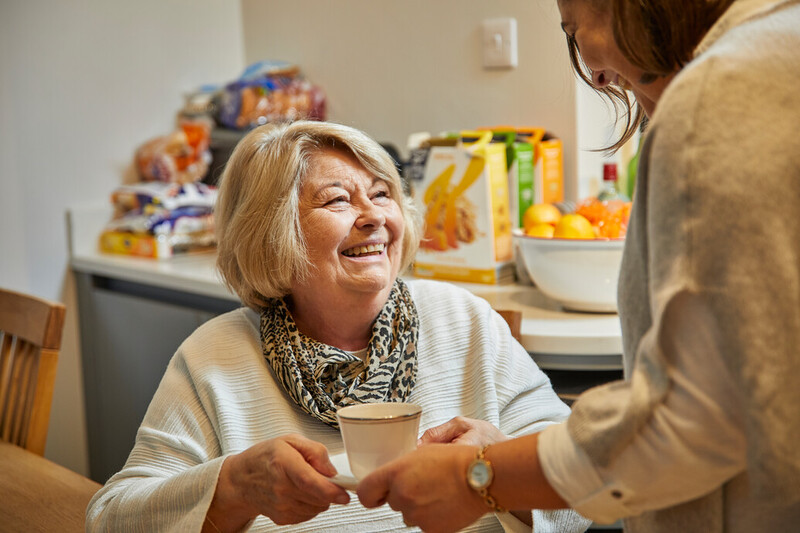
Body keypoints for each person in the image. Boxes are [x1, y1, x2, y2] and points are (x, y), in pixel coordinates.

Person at [356, 0, 800, 531]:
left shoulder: (718, 97)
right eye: (336, 200)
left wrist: (480, 477)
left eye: (573, 28)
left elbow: (695, 418)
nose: (590, 68)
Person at [85, 120, 590, 532]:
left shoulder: (465, 321)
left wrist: (495, 471)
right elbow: (112, 519)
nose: (374, 217)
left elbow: (585, 488)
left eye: (381, 194)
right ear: (273, 233)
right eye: (338, 200)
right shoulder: (214, 356)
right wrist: (235, 488)